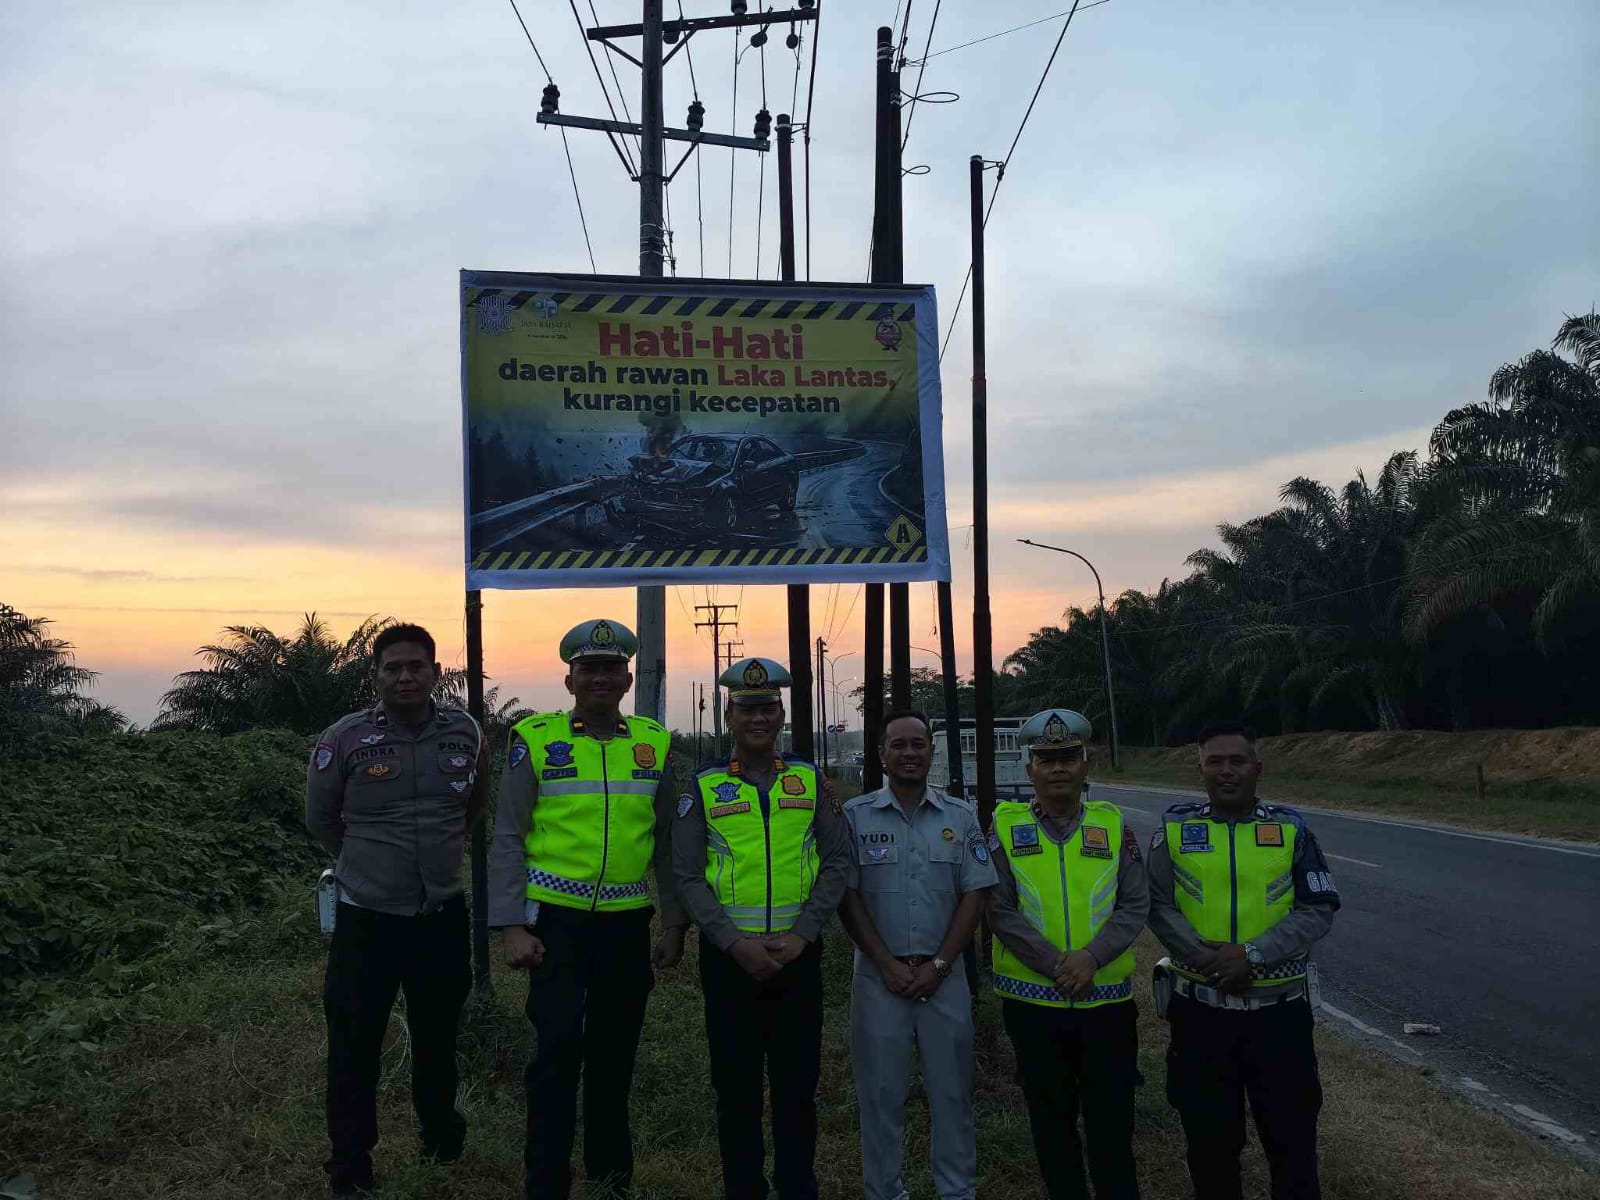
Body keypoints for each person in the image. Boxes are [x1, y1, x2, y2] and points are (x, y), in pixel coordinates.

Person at [487, 618, 688, 1200]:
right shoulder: (535, 739)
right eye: (588, 668)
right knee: (554, 1056)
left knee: (614, 1056)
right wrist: (510, 926)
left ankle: (610, 1181)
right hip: (554, 925)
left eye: (610, 667)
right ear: (569, 677)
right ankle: (545, 1183)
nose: (600, 677)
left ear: (628, 677)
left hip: (627, 926)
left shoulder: (655, 742)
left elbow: (669, 844)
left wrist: (674, 922)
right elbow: (508, 836)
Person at [305, 622, 490, 1198]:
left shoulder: (465, 733)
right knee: (355, 1045)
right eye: (393, 668)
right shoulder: (346, 737)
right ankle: (350, 1167)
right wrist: (364, 865)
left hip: (440, 916)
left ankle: (440, 1140)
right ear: (377, 675)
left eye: (417, 666)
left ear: (436, 672)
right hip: (367, 919)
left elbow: (474, 804)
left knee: (438, 1036)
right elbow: (321, 818)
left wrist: (443, 853)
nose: (406, 676)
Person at [672, 656, 853, 1200]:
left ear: (781, 716)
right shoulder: (701, 787)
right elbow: (687, 875)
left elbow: (838, 861)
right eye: (747, 707)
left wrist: (803, 934)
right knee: (737, 1091)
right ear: (728, 715)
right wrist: (733, 943)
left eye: (768, 707)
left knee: (799, 1090)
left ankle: (799, 1188)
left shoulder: (808, 779)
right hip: (730, 964)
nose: (758, 717)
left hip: (799, 959)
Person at [1148, 722, 1341, 1200]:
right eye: (1215, 761)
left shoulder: (1292, 829)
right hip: (1201, 1016)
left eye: (1238, 761)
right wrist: (1205, 959)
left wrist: (1253, 955)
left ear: (1259, 767)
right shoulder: (1174, 830)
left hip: (1279, 1018)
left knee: (1293, 1147)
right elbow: (1155, 903)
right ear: (1200, 769)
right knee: (1210, 1149)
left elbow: (1317, 908)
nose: (1226, 771)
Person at [986, 708, 1148, 1200]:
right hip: (1033, 1006)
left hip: (1105, 1006)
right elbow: (998, 906)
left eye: (1068, 758)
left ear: (1086, 763)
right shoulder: (1005, 825)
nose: (1058, 768)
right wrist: (1056, 963)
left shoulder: (1113, 824)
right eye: (1046, 759)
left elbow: (1134, 902)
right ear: (1028, 768)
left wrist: (1091, 959)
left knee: (1112, 1126)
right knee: (1051, 1125)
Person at [838, 709, 995, 1200]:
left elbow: (974, 894)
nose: (910, 753)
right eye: (899, 745)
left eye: (919, 745)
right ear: (881, 754)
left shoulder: (960, 816)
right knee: (880, 1097)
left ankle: (956, 1191)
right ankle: (884, 1191)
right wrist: (885, 963)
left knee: (952, 1095)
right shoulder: (856, 817)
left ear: (931, 751)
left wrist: (942, 965)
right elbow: (847, 896)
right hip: (877, 980)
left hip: (943, 978)